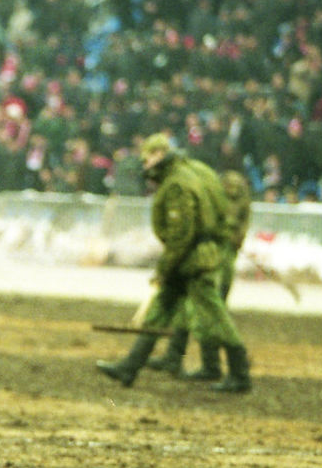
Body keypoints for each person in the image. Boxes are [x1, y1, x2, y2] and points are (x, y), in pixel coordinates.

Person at [96, 134, 252, 393]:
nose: (145, 165)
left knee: (214, 316)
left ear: (159, 154)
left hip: (192, 260)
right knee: (159, 309)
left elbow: (181, 235)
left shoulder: (176, 183)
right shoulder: (195, 170)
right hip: (197, 255)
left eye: (147, 158)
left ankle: (240, 374)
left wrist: (164, 269)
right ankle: (130, 365)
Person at [147, 167, 252, 383]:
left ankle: (213, 366)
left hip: (218, 257)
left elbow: (228, 222)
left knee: (208, 311)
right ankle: (177, 358)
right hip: (213, 254)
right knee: (189, 308)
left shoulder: (228, 182)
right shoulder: (210, 182)